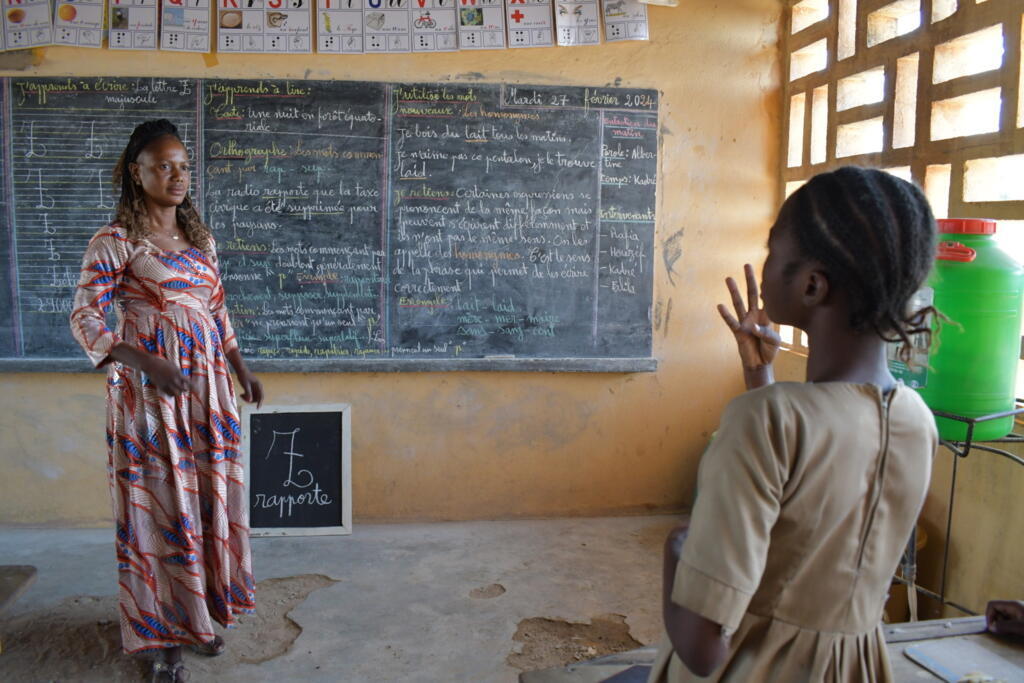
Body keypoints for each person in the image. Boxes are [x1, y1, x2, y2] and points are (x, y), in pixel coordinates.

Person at [648, 166, 940, 682]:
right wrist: (759, 373)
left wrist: (677, 554)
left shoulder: (764, 421)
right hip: (855, 666)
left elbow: (702, 648)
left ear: (811, 285)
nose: (763, 268)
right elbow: (810, 505)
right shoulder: (917, 418)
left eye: (773, 254)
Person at [70, 119, 264, 682]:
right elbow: (84, 317)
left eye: (182, 165)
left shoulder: (201, 241)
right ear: (138, 172)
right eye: (163, 165)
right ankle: (163, 641)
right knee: (159, 510)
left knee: (206, 501)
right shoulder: (116, 241)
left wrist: (241, 370)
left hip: (207, 395)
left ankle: (199, 619)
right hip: (148, 399)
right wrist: (147, 361)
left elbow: (218, 310)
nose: (176, 175)